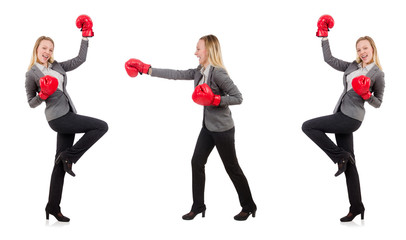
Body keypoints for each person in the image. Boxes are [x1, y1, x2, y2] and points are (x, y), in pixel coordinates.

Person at [125, 34, 256, 221]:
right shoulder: (199, 71)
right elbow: (177, 74)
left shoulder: (218, 73)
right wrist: (148, 69)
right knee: (196, 162)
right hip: (208, 128)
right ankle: (198, 206)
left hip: (223, 129)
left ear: (208, 50)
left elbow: (238, 97)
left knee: (231, 167)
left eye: (198, 48)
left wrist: (216, 99)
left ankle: (249, 205)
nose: (195, 52)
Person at [25, 15, 108, 222]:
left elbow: (80, 60)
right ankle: (70, 156)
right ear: (37, 49)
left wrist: (85, 36)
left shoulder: (57, 67)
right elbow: (30, 102)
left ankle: (52, 207)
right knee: (101, 126)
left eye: (51, 49)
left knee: (59, 165)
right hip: (57, 117)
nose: (47, 52)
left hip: (69, 114)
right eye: (44, 48)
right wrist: (42, 95)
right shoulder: (31, 74)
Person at [302, 15, 385, 222]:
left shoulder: (378, 74)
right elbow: (329, 60)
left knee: (308, 127)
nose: (362, 52)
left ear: (372, 49)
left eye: (365, 48)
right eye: (358, 49)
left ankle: (339, 156)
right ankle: (356, 207)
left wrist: (367, 95)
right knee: (350, 165)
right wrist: (324, 36)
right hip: (340, 114)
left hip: (352, 117)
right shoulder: (352, 67)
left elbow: (379, 102)